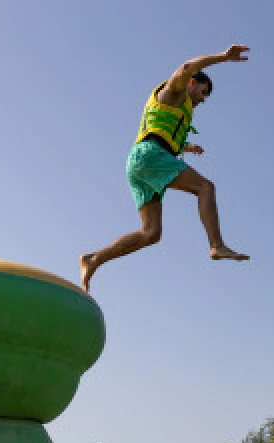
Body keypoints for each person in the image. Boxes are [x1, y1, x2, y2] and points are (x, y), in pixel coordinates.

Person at [80, 45, 251, 292]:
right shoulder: (175, 91)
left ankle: (94, 259)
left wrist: (188, 146)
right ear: (192, 83)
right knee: (205, 187)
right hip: (150, 155)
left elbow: (163, 131)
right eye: (202, 93)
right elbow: (186, 67)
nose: (202, 100)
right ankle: (217, 244)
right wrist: (223, 57)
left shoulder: (177, 107)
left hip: (138, 163)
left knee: (151, 233)